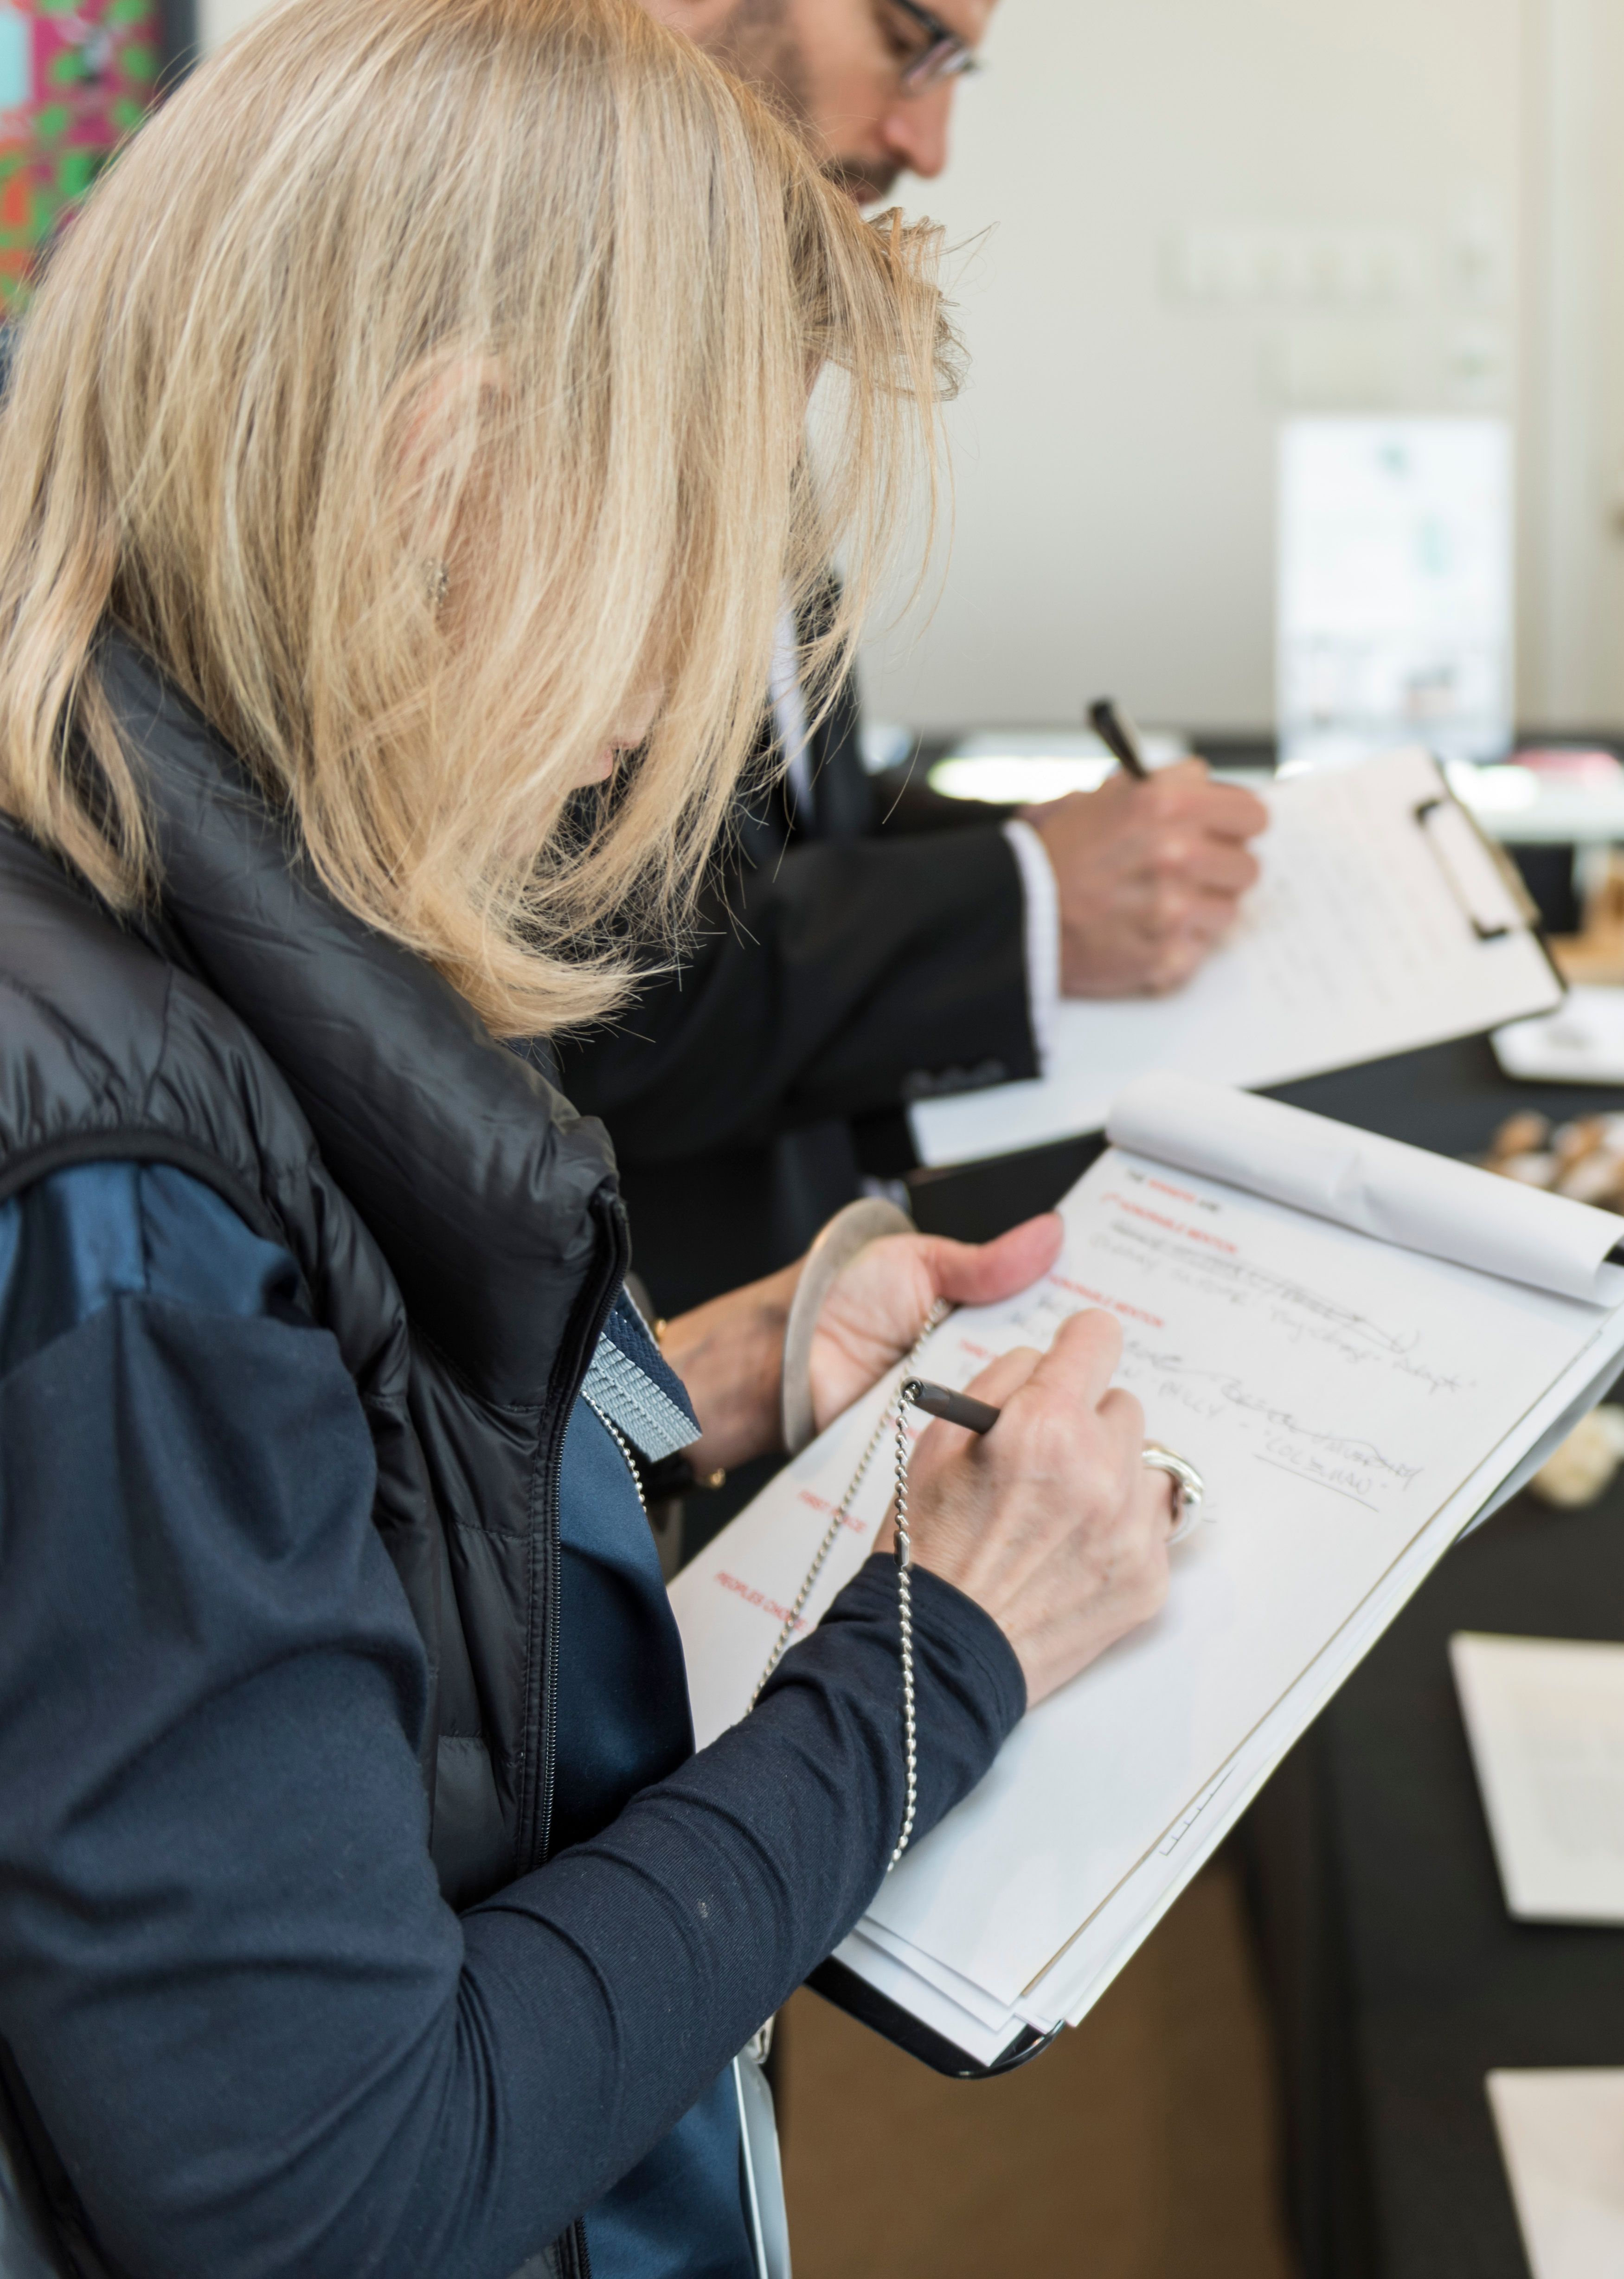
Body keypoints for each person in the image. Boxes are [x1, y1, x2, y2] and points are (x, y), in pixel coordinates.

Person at [0, 4, 1183, 2273]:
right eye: (692, 543)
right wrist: (949, 1649)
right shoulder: (119, 1209)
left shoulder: (141, 914)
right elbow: (333, 2190)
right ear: (459, 470)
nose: (666, 705)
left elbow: (307, 1509)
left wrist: (724, 1371)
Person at [575, 0, 1273, 1313]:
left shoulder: (723, 320)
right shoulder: (538, 364)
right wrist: (1027, 896)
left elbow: (780, 823)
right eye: (912, 39)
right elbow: (598, 996)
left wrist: (1069, 846)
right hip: (648, 1347)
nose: (929, 140)